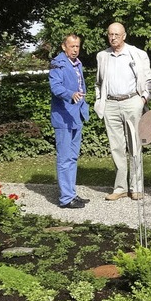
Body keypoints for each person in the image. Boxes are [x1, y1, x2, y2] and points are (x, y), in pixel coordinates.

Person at [95, 22, 151, 201]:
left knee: (135, 146)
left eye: (116, 34)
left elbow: (150, 80)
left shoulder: (137, 54)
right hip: (111, 105)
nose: (113, 38)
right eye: (110, 34)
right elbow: (98, 82)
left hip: (131, 102)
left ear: (124, 35)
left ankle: (136, 187)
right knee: (116, 147)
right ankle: (120, 187)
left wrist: (143, 99)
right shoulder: (102, 56)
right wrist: (100, 100)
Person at [49, 34, 90, 209]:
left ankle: (71, 193)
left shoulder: (77, 63)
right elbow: (56, 87)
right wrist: (70, 95)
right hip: (63, 117)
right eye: (72, 46)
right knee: (65, 158)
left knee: (72, 157)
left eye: (77, 46)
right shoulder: (57, 63)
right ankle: (66, 198)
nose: (75, 49)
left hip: (76, 116)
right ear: (64, 46)